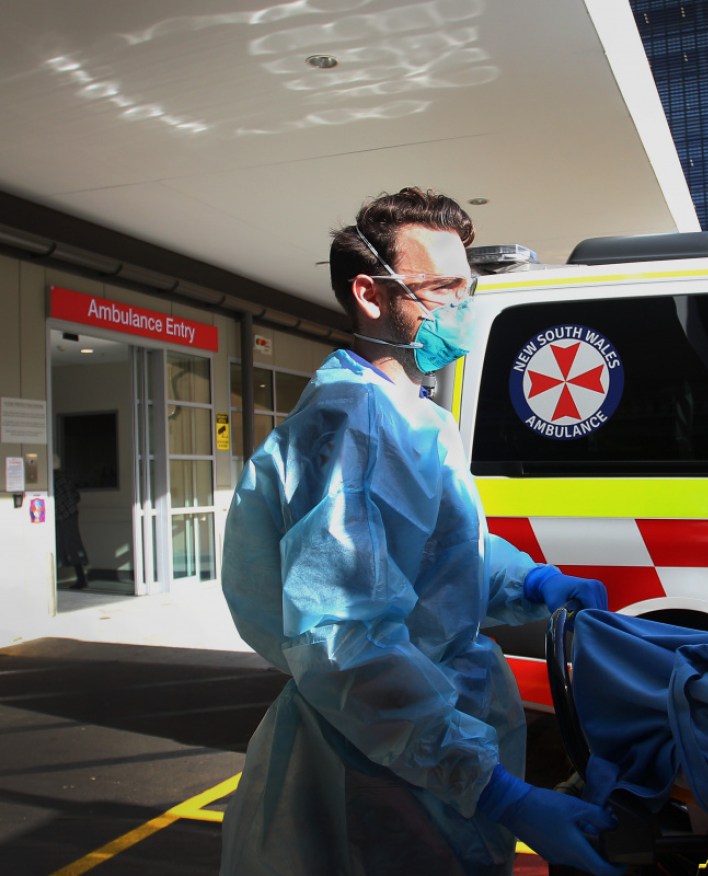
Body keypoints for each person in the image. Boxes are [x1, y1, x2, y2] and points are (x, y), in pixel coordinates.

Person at [220, 188, 623, 876]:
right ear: (370, 296)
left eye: (465, 288)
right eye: (441, 290)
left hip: (406, 760)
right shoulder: (355, 431)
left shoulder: (412, 415)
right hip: (376, 770)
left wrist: (528, 581)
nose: (460, 308)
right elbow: (348, 644)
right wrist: (496, 791)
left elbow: (434, 552)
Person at [52, 454, 89, 589]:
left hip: (61, 516)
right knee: (73, 545)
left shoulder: (53, 479)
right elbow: (75, 496)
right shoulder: (65, 477)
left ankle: (80, 580)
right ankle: (81, 578)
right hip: (71, 514)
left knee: (64, 546)